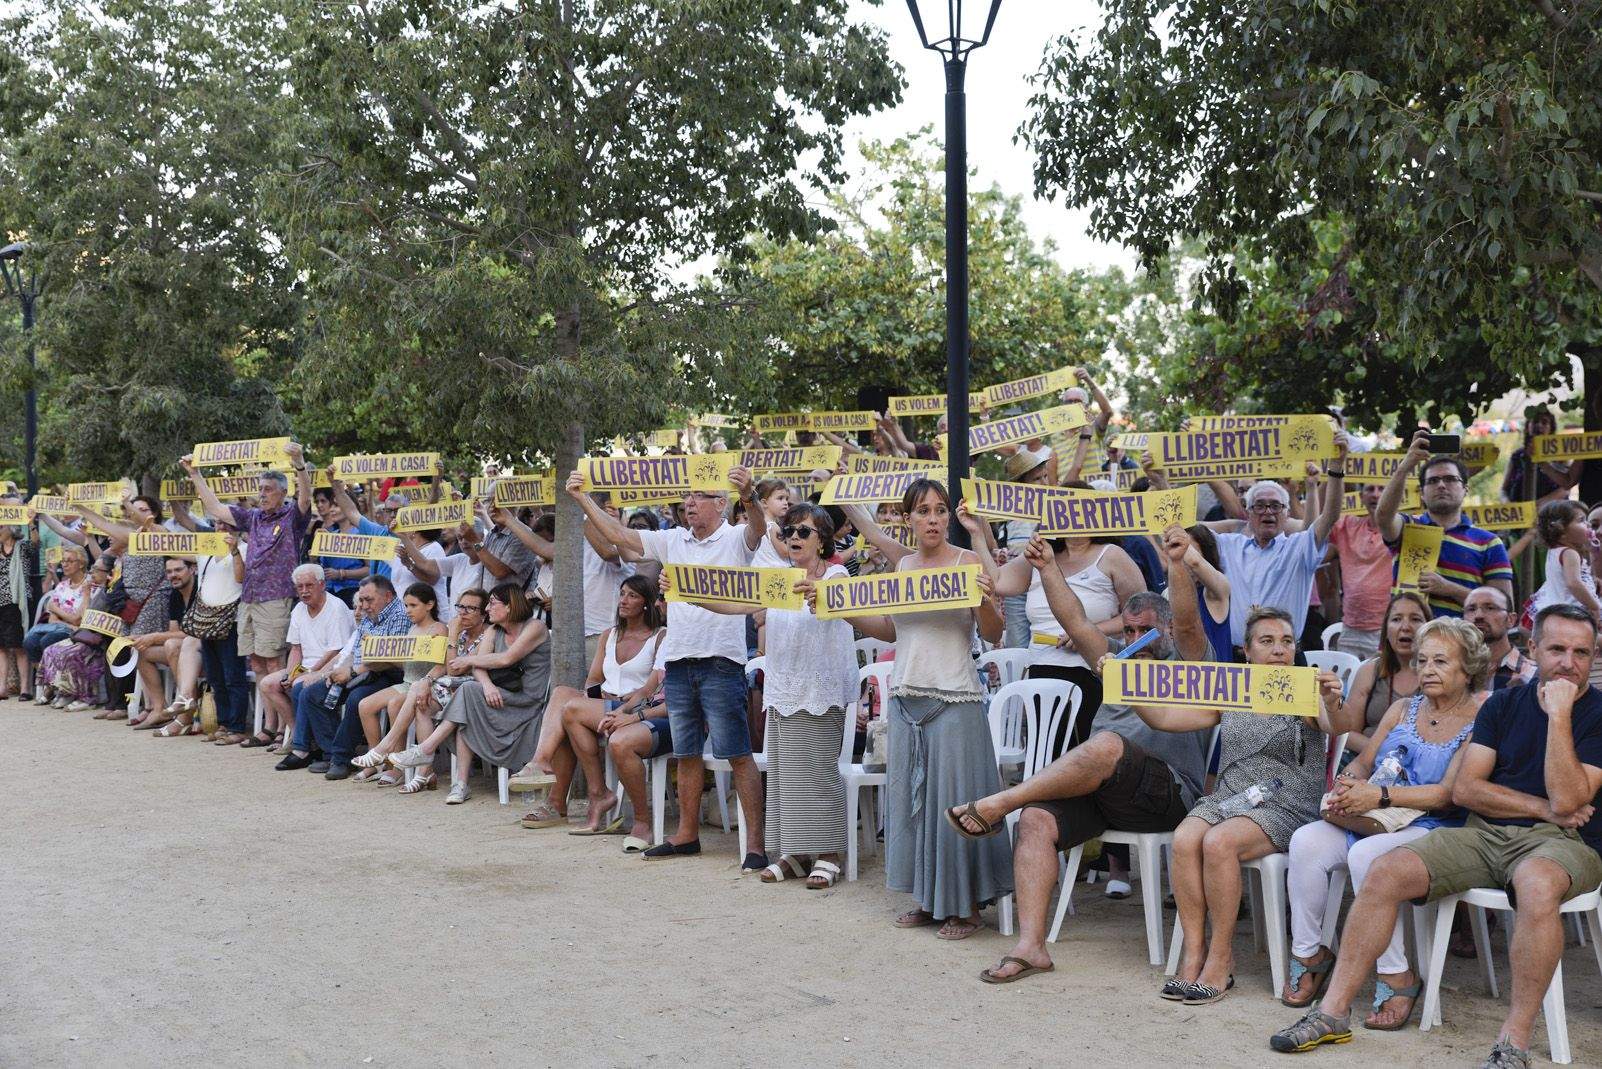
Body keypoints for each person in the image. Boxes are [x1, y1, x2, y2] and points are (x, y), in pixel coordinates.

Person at [1270, 604, 1602, 1068]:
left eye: (1581, 652)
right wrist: (1539, 806)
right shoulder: (1505, 704)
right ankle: (1331, 1013)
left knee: (1536, 884)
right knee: (1383, 870)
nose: (1568, 662)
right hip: (1482, 830)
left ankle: (1513, 1040)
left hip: (1563, 843)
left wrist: (1560, 716)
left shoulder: (1596, 713)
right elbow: (1467, 789)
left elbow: (1569, 802)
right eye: (1557, 649)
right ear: (1534, 649)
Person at [947, 529, 1217, 982]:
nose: (1136, 639)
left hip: (1168, 796)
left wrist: (1176, 563)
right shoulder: (1115, 659)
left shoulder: (1189, 662)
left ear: (1165, 630)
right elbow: (1074, 622)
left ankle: (999, 803)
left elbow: (1190, 624)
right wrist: (1048, 568)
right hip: (1107, 790)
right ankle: (1031, 946)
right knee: (1036, 819)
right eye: (1129, 630)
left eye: (1146, 630)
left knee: (1107, 745)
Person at [822, 478, 1008, 939]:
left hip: (955, 697)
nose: (932, 519)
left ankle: (964, 907)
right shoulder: (902, 566)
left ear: (949, 517)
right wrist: (837, 608)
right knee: (914, 805)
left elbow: (995, 630)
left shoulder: (968, 562)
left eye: (940, 510)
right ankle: (928, 899)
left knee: (955, 803)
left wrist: (984, 597)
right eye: (923, 510)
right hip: (907, 697)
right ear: (908, 518)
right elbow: (888, 630)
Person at [560, 464, 770, 870]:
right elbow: (620, 536)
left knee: (738, 754)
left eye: (699, 496)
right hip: (677, 662)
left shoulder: (735, 539)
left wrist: (751, 497)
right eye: (687, 496)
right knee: (687, 753)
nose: (689, 502)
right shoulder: (673, 540)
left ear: (720, 504)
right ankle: (686, 836)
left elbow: (758, 529)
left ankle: (755, 846)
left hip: (721, 663)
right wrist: (582, 499)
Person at [1282, 617, 1489, 1027]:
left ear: (1469, 669)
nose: (1427, 669)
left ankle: (1396, 973)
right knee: (1305, 840)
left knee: (1367, 857)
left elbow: (1448, 794)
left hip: (1435, 825)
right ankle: (1310, 954)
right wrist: (1348, 786)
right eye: (1423, 660)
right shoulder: (1403, 708)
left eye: (1441, 662)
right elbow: (1363, 761)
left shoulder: (1479, 717)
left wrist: (1375, 795)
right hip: (1376, 815)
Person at [1156, 607, 1354, 1004]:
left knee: (1218, 843)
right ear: (1247, 651)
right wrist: (1117, 682)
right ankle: (1193, 950)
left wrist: (1331, 700)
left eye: (1286, 641)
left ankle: (1221, 957)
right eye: (1267, 641)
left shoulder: (1305, 689)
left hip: (1286, 799)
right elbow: (1165, 718)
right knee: (1184, 838)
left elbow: (1337, 725)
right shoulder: (1233, 688)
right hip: (1232, 796)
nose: (1279, 649)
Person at [683, 503, 858, 888]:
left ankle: (829, 853)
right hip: (782, 686)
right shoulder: (776, 578)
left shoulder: (839, 574)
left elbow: (844, 611)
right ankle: (794, 853)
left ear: (824, 540)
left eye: (804, 532)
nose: (794, 537)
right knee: (784, 775)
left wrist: (821, 594)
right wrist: (692, 595)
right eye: (789, 530)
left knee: (817, 772)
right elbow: (737, 605)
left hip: (820, 687)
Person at [389, 582, 551, 805]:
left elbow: (507, 658)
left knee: (465, 694)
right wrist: (487, 685)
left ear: (510, 606)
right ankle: (459, 783)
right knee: (466, 703)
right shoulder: (495, 631)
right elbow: (478, 669)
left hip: (527, 702)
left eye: (492, 604)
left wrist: (469, 659)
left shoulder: (535, 627)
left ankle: (428, 750)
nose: (487, 609)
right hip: (498, 696)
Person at [534, 576, 667, 834]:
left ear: (647, 604)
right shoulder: (610, 635)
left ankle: (591, 792)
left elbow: (649, 689)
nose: (623, 601)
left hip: (634, 706)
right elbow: (594, 679)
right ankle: (546, 766)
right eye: (622, 594)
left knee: (570, 710)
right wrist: (596, 696)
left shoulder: (659, 637)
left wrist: (620, 705)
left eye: (632, 596)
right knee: (563, 694)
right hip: (603, 702)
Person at [181, 447, 313, 684]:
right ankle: (269, 721)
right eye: (260, 489)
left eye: (268, 489)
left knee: (274, 662)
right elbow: (215, 509)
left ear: (283, 492)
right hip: (249, 597)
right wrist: (195, 475)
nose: (262, 494)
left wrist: (299, 464)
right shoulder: (252, 517)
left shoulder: (291, 517)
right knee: (256, 662)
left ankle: (283, 721)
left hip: (276, 598)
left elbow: (305, 498)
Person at [1209, 435, 1347, 652]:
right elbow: (1185, 531)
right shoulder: (1229, 545)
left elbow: (1329, 516)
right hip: (1236, 659)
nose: (1268, 512)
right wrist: (1161, 483)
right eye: (1260, 506)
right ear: (1249, 512)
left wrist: (1336, 468)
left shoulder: (1300, 548)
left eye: (1275, 506)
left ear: (1287, 513)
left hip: (1284, 659)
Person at [353, 586, 492, 793]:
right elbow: (424, 666)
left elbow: (451, 670)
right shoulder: (452, 632)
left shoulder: (478, 633)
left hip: (468, 692)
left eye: (470, 609)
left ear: (484, 614)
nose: (462, 612)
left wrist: (452, 634)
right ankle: (423, 772)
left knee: (411, 694)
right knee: (413, 702)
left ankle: (387, 753)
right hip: (439, 687)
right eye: (460, 607)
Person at [277, 576, 409, 777]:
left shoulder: (400, 615)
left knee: (358, 698)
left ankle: (341, 757)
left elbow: (390, 659)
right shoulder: (368, 615)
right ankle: (333, 754)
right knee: (312, 693)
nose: (363, 605)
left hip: (391, 674)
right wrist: (335, 672)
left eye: (368, 600)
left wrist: (352, 672)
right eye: (361, 600)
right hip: (363, 672)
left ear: (388, 596)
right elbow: (355, 652)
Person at [1375, 430, 1514, 619]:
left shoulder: (1489, 542)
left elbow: (1503, 606)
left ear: (1465, 489)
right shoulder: (1408, 527)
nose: (1441, 485)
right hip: (1410, 643)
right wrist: (1406, 466)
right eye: (1432, 481)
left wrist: (1448, 589)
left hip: (1466, 644)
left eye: (1450, 479)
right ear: (1422, 493)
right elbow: (1383, 516)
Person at [73, 496, 169, 721]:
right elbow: (103, 524)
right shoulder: (131, 537)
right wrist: (80, 507)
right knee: (136, 652)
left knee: (143, 650)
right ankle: (149, 706)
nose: (137, 513)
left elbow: (123, 522)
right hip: (132, 604)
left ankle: (156, 706)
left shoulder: (160, 534)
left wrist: (126, 503)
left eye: (143, 509)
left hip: (152, 602)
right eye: (134, 510)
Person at [350, 582, 447, 782]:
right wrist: (378, 652)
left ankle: (395, 766)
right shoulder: (411, 629)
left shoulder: (438, 629)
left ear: (429, 605)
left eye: (413, 605)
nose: (408, 610)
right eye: (406, 606)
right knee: (365, 705)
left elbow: (440, 665)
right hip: (406, 681)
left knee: (394, 704)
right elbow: (405, 664)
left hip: (423, 684)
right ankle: (376, 758)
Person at [254, 564, 355, 751]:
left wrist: (309, 672)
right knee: (268, 684)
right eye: (300, 587)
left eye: (309, 585)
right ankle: (296, 732)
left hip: (331, 666)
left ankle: (305, 741)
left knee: (299, 684)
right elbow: (296, 649)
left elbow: (336, 650)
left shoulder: (336, 607)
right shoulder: (299, 609)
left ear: (322, 584)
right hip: (306, 667)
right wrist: (291, 673)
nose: (304, 591)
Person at [1340, 592, 1429, 748]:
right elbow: (1347, 733)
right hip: (1366, 760)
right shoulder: (1370, 670)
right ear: (1386, 631)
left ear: (1429, 628)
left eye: (1415, 619)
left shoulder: (1439, 675)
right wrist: (1383, 754)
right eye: (1396, 619)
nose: (1405, 627)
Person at [1325, 480, 1393, 660]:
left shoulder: (1406, 529)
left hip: (1387, 629)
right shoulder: (1347, 526)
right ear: (1361, 496)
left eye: (1382, 488)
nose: (1376, 494)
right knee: (1347, 687)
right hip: (1350, 630)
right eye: (1370, 489)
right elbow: (1313, 526)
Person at [38, 557, 114, 712]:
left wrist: (86, 595)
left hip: (100, 640)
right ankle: (63, 691)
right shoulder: (93, 587)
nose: (92, 573)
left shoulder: (109, 591)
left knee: (70, 653)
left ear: (109, 573)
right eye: (92, 569)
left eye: (96, 570)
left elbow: (83, 619)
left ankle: (86, 698)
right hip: (84, 635)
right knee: (51, 649)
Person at [24, 546, 91, 702]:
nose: (64, 565)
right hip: (64, 628)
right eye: (63, 561)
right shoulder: (61, 586)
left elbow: (80, 619)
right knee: (30, 641)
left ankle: (53, 687)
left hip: (80, 632)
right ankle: (51, 683)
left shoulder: (88, 585)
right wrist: (69, 619)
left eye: (69, 561)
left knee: (47, 640)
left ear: (81, 564)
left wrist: (58, 610)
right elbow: (52, 619)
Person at [311, 485, 389, 606]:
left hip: (355, 595)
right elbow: (322, 567)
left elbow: (371, 570)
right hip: (330, 596)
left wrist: (341, 574)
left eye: (336, 506)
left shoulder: (362, 534)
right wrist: (314, 557)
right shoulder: (330, 535)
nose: (332, 510)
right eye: (331, 505)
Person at [1528, 499, 1601, 623]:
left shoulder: (1554, 551)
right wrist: (1594, 606)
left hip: (1559, 609)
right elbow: (1574, 583)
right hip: (1573, 611)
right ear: (1561, 532)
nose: (1588, 525)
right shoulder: (1570, 553)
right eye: (1581, 520)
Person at [1465, 585, 1536, 690]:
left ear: (1511, 620)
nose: (1478, 615)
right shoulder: (1453, 672)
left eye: (1490, 608)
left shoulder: (1533, 675)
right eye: (1471, 609)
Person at [0, 514, 39, 700]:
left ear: (11, 529)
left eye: (1, 527)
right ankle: (2, 687)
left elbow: (35, 544)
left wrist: (31, 524)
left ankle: (25, 688)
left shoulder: (21, 547)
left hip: (16, 603)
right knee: (1, 647)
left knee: (18, 646)